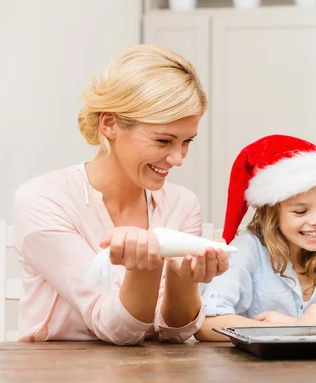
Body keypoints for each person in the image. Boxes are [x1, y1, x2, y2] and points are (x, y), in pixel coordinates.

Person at [12, 45, 228, 345]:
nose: (178, 158)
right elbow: (115, 329)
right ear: (110, 124)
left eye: (186, 141)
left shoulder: (182, 204)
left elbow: (175, 333)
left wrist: (184, 279)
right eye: (163, 140)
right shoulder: (43, 200)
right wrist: (146, 268)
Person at [195, 135, 316, 341]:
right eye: (300, 212)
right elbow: (207, 324)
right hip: (259, 371)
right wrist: (300, 326)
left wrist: (304, 327)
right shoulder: (247, 248)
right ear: (271, 212)